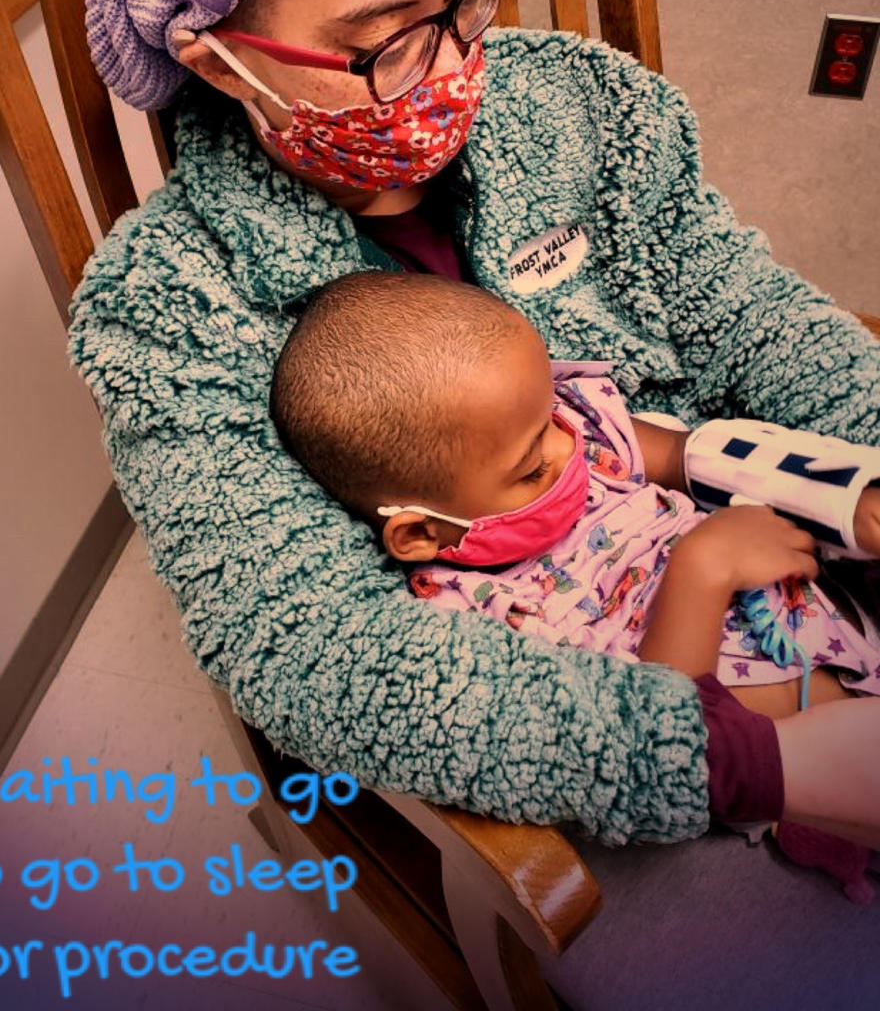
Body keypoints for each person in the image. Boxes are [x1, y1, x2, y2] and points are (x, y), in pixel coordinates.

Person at [71, 0, 880, 1006]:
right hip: (547, 674)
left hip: (719, 526)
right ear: (216, 52)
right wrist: (746, 766)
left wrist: (867, 463)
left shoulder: (583, 111)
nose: (454, 70)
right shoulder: (172, 310)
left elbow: (750, 319)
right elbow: (312, 650)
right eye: (383, 36)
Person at [269, 270, 880, 857]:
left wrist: (842, 501)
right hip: (783, 764)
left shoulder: (573, 428)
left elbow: (695, 456)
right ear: (422, 531)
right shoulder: (474, 619)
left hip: (845, 620)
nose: (569, 450)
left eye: (553, 418)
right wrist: (703, 566)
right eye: (531, 468)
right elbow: (657, 737)